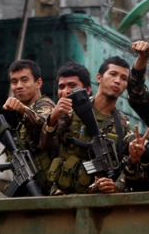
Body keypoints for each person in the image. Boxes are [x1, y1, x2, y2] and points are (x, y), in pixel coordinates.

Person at [42, 58, 131, 194]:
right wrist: (53, 118)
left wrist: (116, 186)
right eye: (113, 74)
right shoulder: (72, 111)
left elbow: (130, 165)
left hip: (98, 199)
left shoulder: (123, 126)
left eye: (124, 78)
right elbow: (47, 145)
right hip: (62, 195)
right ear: (99, 77)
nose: (117, 81)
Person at [0, 59, 56, 189]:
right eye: (14, 82)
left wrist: (22, 109)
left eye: (24, 80)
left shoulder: (45, 105)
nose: (19, 86)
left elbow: (44, 123)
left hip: (47, 187)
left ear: (38, 83)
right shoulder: (22, 115)